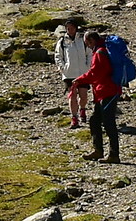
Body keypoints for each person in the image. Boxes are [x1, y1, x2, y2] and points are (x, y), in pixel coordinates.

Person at [82, 31, 123, 163]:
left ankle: (113, 154)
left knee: (108, 123)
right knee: (95, 120)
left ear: (92, 40)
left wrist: (79, 80)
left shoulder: (100, 52)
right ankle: (99, 151)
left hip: (107, 92)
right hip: (104, 92)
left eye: (87, 42)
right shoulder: (101, 50)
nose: (87, 45)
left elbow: (96, 73)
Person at [52, 16, 91, 128]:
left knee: (83, 96)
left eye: (72, 28)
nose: (70, 30)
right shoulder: (62, 41)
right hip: (69, 74)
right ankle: (74, 118)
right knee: (72, 96)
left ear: (76, 28)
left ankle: (82, 110)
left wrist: (88, 66)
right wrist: (62, 67)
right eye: (68, 28)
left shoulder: (82, 40)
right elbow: (58, 55)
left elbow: (89, 53)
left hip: (83, 73)